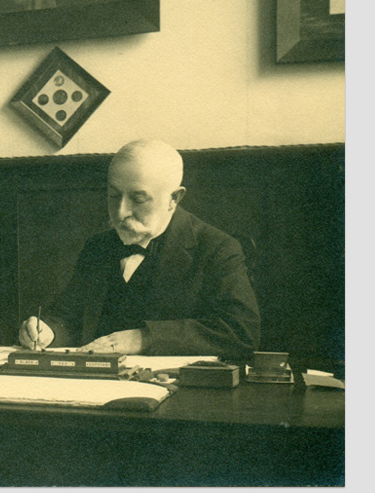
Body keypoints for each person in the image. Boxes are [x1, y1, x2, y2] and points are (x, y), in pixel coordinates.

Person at [18, 140, 260, 360]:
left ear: (174, 198)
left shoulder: (217, 248)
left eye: (138, 199)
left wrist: (143, 338)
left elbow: (240, 333)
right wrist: (47, 330)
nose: (121, 212)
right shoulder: (98, 246)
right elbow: (68, 316)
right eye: (114, 195)